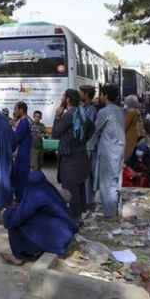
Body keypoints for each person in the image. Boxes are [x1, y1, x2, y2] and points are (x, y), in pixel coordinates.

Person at [0, 171, 79, 266]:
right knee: (32, 220)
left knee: (14, 222)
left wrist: (7, 213)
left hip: (56, 242)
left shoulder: (36, 196)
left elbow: (18, 217)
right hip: (65, 236)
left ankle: (18, 257)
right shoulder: (50, 190)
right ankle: (36, 251)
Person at [52, 89, 92, 221]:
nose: (61, 99)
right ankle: (78, 218)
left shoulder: (68, 115)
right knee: (78, 189)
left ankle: (73, 221)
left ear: (68, 99)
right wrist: (81, 142)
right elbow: (91, 129)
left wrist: (57, 116)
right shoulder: (82, 113)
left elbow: (55, 133)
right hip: (80, 157)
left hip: (69, 159)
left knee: (70, 191)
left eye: (63, 96)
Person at [89, 84, 125, 222]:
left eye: (101, 94)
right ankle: (115, 210)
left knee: (107, 183)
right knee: (116, 180)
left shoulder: (104, 112)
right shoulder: (120, 110)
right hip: (119, 148)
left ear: (105, 96)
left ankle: (111, 214)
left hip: (109, 150)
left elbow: (94, 129)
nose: (99, 97)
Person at [11, 101, 33, 203]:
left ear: (21, 110)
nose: (15, 112)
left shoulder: (24, 122)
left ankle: (20, 199)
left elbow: (16, 137)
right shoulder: (27, 120)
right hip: (23, 153)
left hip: (21, 154)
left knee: (20, 178)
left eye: (16, 109)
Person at [124, 95, 140, 159]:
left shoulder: (130, 112)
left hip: (129, 133)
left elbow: (125, 125)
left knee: (128, 151)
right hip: (134, 131)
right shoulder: (136, 111)